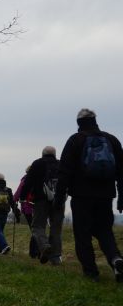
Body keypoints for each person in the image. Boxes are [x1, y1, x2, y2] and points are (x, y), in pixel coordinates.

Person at [55, 108, 123, 281]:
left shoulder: (75, 140)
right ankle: (116, 259)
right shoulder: (112, 140)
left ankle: (91, 273)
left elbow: (64, 172)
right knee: (105, 230)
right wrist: (121, 197)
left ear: (79, 123)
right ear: (95, 120)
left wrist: (59, 198)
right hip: (106, 196)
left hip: (81, 196)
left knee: (82, 234)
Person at [21, 146, 64, 265]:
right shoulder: (61, 164)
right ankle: (55, 258)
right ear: (55, 154)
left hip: (41, 200)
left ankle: (44, 246)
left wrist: (23, 196)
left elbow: (28, 181)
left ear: (42, 154)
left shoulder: (37, 164)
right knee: (56, 229)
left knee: (37, 226)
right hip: (59, 201)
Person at [14, 166, 39, 258]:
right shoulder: (40, 179)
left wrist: (14, 199)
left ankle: (34, 252)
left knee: (33, 229)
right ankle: (37, 251)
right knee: (38, 228)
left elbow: (19, 191)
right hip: (39, 207)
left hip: (28, 207)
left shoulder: (25, 179)